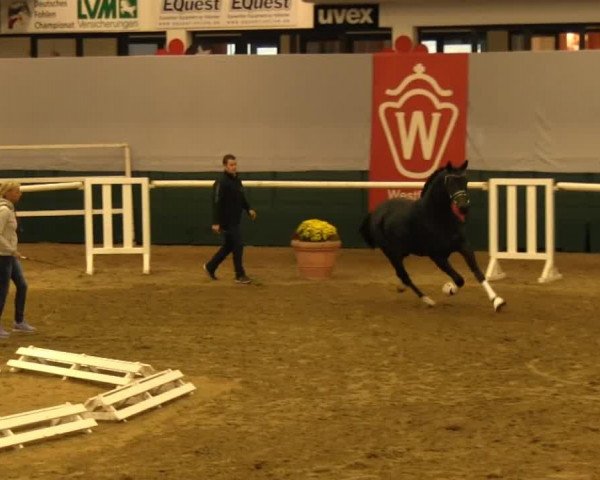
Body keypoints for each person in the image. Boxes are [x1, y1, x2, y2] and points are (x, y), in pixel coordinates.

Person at [204, 154, 257, 284]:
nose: (234, 167)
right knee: (238, 245)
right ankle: (239, 275)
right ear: (225, 166)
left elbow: (241, 197)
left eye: (235, 164)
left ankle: (210, 267)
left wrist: (248, 208)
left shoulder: (237, 180)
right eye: (231, 165)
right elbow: (216, 202)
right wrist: (216, 222)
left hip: (235, 219)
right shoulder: (221, 182)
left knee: (228, 246)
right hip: (226, 221)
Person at [0, 181, 35, 338]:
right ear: (6, 193)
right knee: (2, 291)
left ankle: (19, 321)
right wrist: (11, 249)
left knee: (22, 285)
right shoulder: (4, 211)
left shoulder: (10, 209)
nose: (19, 194)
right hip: (3, 256)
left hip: (9, 255)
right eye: (16, 191)